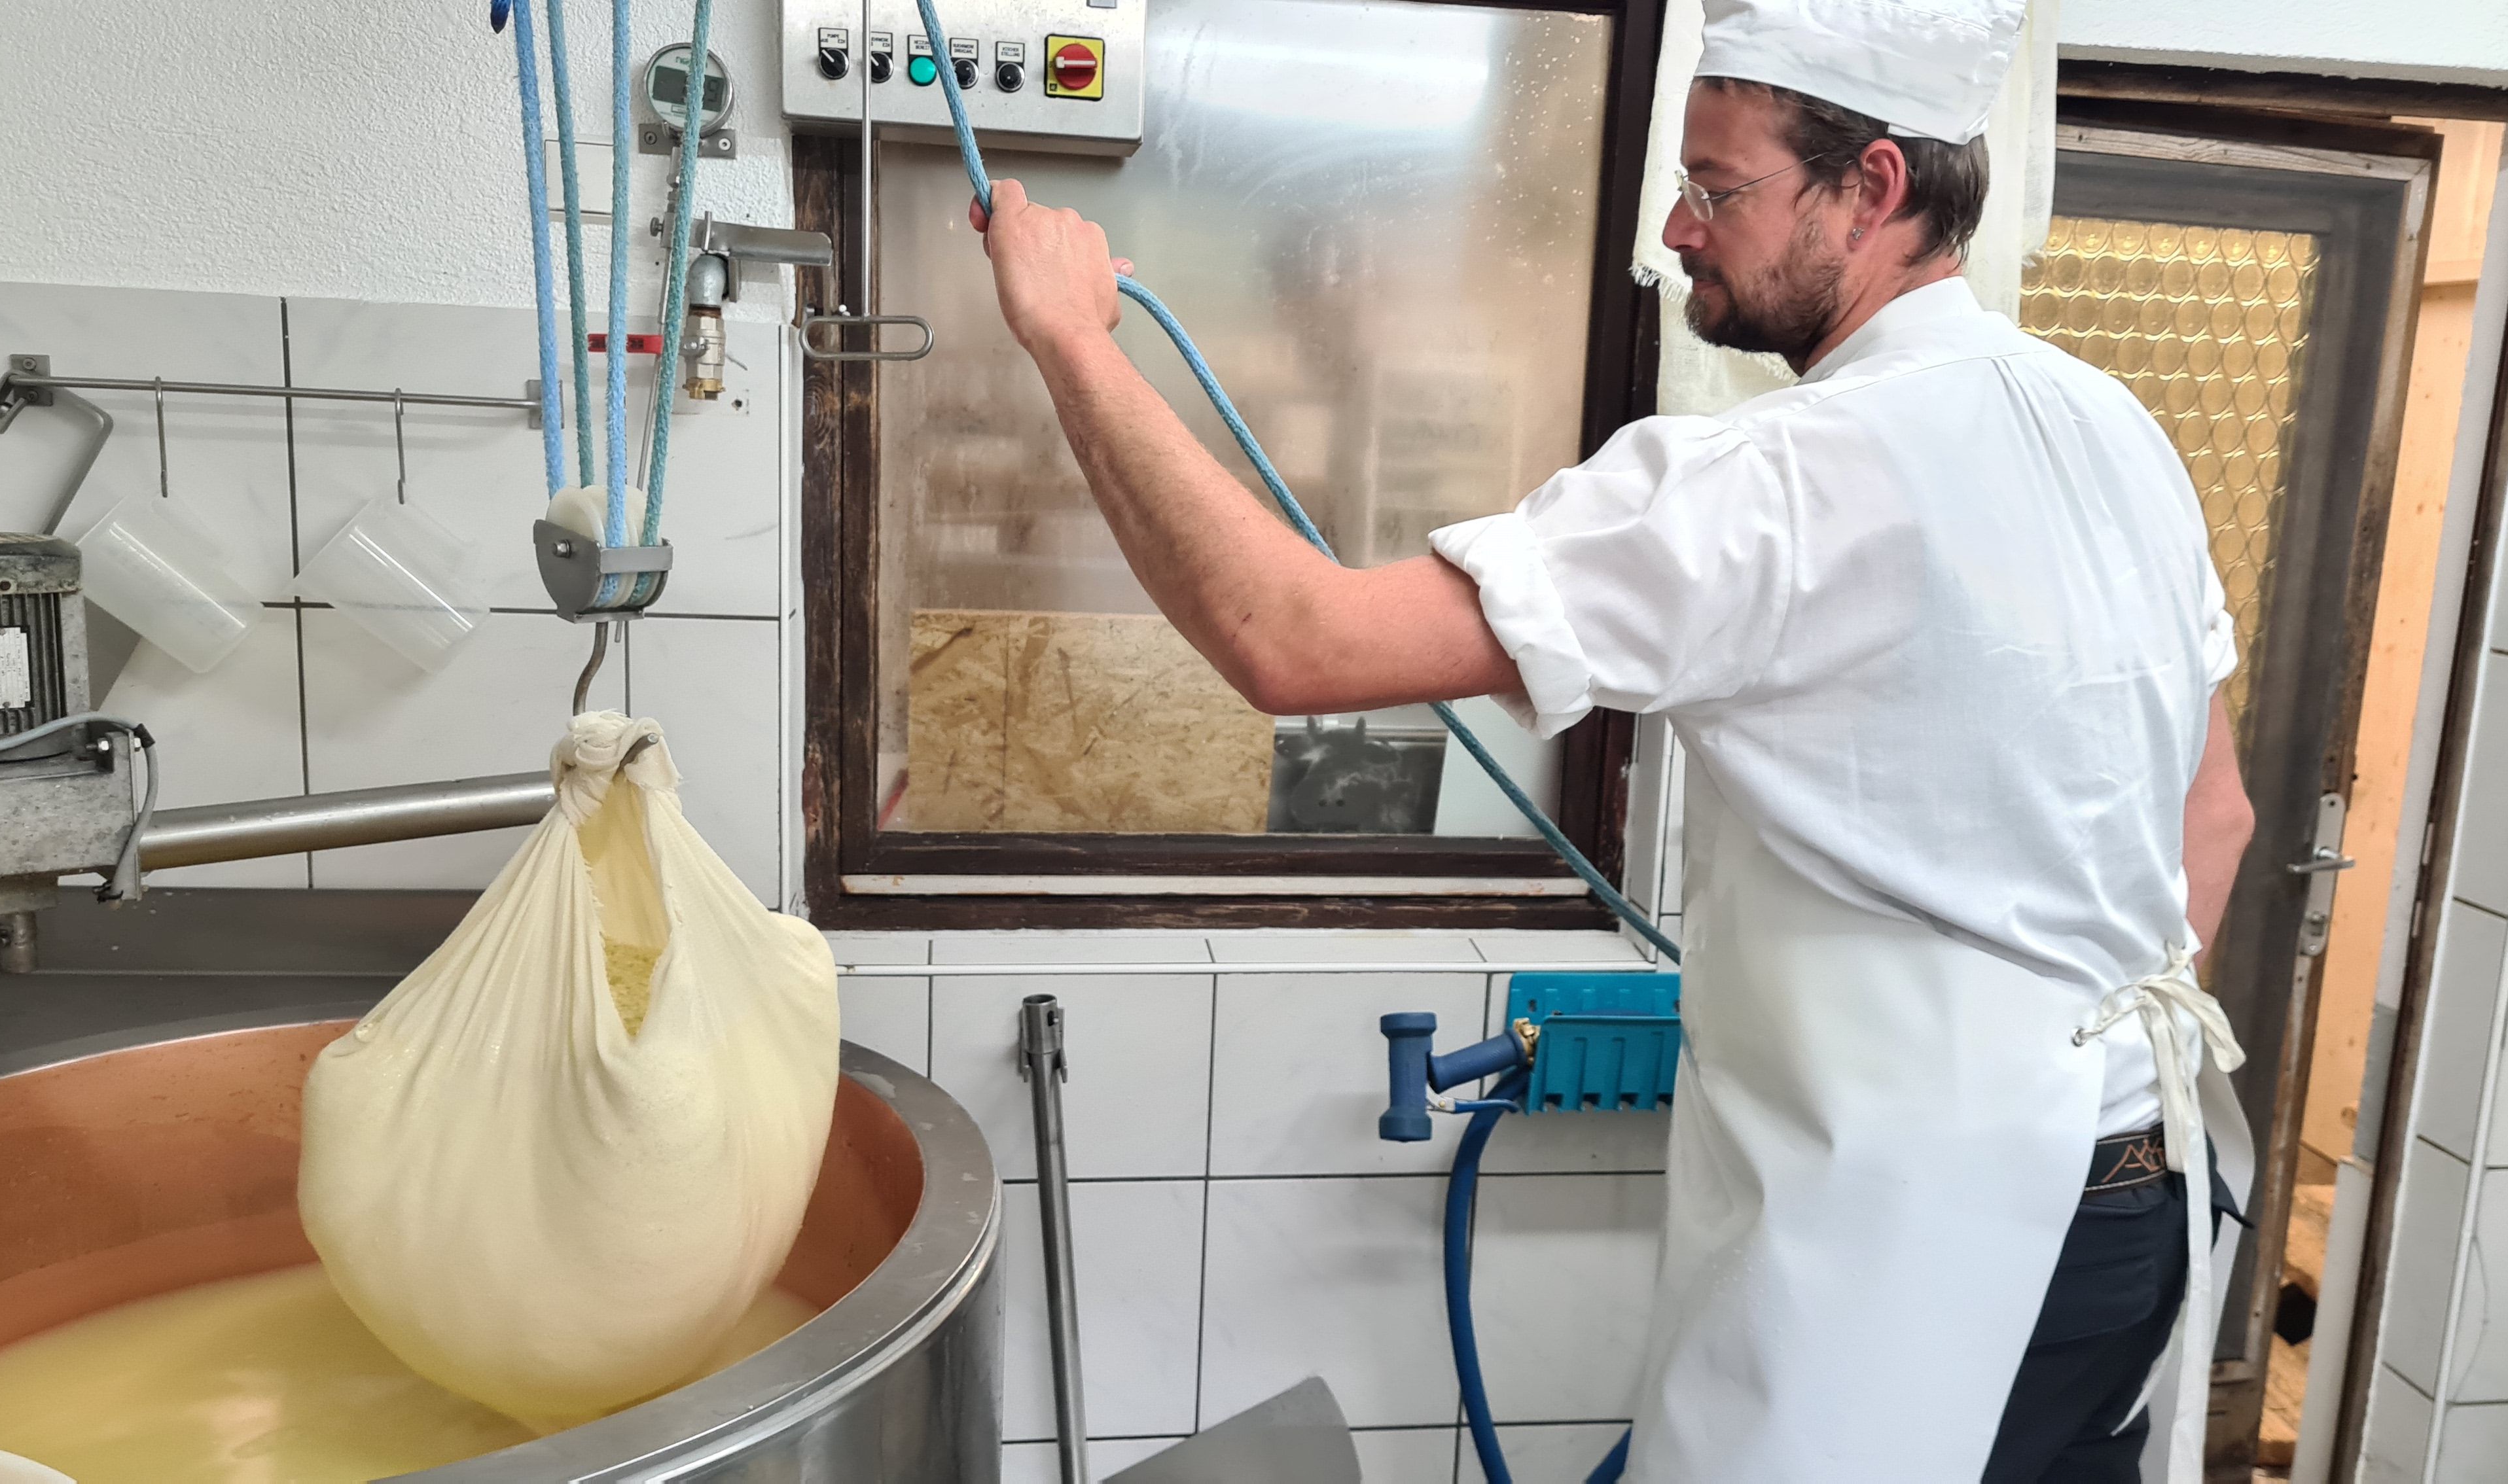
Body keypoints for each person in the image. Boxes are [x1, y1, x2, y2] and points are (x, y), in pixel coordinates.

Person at [968, 0, 2259, 1475]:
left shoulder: (1785, 478)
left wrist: (1068, 337)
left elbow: (1297, 642)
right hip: (2140, 1204)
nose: (1678, 227)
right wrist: (2058, 1061)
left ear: (1875, 189)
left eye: (1719, 188)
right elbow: (2213, 817)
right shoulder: (2112, 431)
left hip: (1920, 1253)